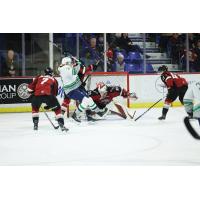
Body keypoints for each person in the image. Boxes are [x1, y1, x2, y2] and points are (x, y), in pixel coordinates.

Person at [58, 56, 108, 123]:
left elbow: (84, 69)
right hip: (72, 88)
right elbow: (81, 70)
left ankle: (98, 112)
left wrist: (90, 67)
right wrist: (80, 64)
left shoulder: (66, 67)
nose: (72, 63)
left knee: (86, 99)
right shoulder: (67, 68)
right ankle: (77, 114)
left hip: (74, 87)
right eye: (70, 63)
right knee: (85, 100)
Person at [27, 67, 68, 132]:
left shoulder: (39, 77)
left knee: (35, 108)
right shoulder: (54, 79)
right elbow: (54, 94)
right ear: (51, 73)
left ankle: (35, 124)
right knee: (57, 109)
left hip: (36, 96)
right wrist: (50, 105)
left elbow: (29, 89)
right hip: (48, 96)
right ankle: (61, 124)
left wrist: (32, 92)